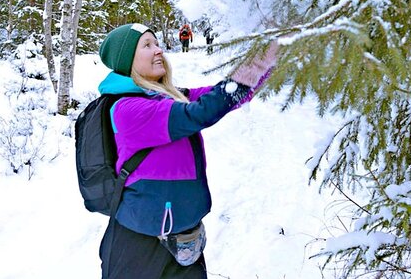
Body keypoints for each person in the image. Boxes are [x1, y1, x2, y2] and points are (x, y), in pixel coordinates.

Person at [97, 23, 277, 279]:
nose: (158, 50)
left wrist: (275, 56)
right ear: (127, 60)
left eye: (157, 43)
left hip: (184, 240)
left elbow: (226, 96)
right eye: (147, 45)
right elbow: (204, 111)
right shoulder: (127, 110)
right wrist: (264, 56)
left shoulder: (169, 97)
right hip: (140, 247)